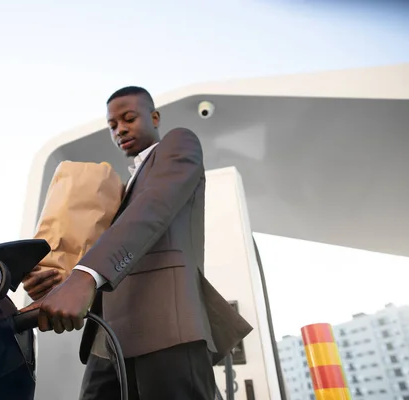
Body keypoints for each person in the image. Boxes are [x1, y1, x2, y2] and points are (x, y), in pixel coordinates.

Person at [33, 86, 252, 400]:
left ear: (154, 117)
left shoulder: (179, 144)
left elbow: (149, 211)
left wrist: (85, 276)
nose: (119, 129)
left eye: (128, 118)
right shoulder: (121, 188)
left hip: (167, 326)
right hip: (109, 339)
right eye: (112, 125)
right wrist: (58, 280)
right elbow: (111, 243)